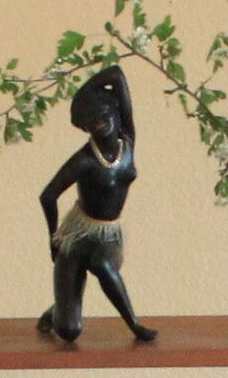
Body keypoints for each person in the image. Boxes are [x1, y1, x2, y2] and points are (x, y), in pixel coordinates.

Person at [36, 64, 159, 348]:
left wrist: (83, 94)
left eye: (103, 116)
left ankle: (134, 324)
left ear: (116, 114)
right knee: (69, 331)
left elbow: (116, 73)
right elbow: (48, 196)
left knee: (102, 264)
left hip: (108, 234)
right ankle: (58, 310)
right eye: (91, 121)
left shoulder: (127, 141)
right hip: (77, 235)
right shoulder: (84, 160)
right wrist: (53, 238)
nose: (99, 123)